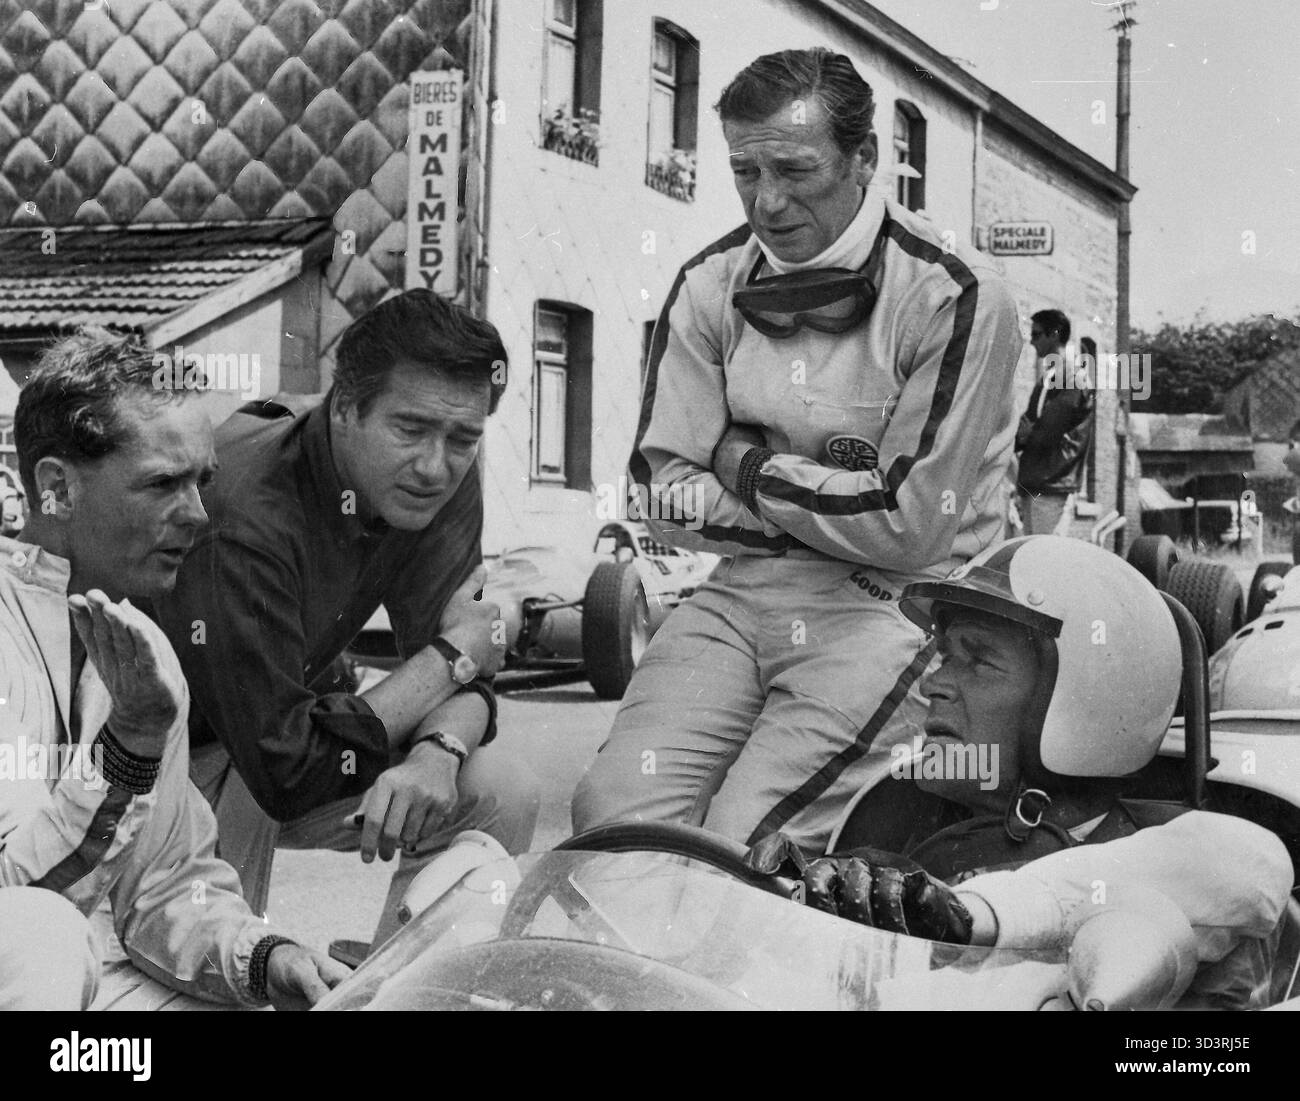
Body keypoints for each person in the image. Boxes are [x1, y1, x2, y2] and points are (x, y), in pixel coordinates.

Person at [571, 48, 1024, 854]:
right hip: (742, 589)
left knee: (750, 841)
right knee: (613, 817)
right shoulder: (708, 284)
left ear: (865, 159)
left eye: (793, 169)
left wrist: (743, 464)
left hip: (896, 603)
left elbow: (912, 526)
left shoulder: (957, 295)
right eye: (744, 171)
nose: (766, 201)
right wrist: (827, 506)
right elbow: (659, 494)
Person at [153, 290, 539, 956]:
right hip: (157, 751)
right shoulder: (247, 511)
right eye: (409, 429)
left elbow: (470, 666)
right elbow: (286, 770)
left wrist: (435, 753)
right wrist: (451, 655)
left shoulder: (440, 473)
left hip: (283, 725)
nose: (435, 464)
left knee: (499, 789)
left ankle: (400, 994)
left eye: (462, 438)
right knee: (225, 970)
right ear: (345, 408)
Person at [748, 536, 1292, 1009]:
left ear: (1087, 696)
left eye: (977, 661)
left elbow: (1250, 862)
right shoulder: (889, 809)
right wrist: (786, 912)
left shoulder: (1192, 861)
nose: (931, 685)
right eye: (942, 657)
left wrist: (971, 913)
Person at [1, 330, 347, 1009]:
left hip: (73, 982)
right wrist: (128, 745)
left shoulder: (147, 652)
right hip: (35, 957)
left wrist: (264, 956)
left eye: (203, 482)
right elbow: (23, 900)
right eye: (163, 482)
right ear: (56, 488)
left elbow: (162, 885)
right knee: (46, 936)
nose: (196, 515)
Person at [1014, 309, 1094, 534]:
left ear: (1055, 335)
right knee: (1029, 554)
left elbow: (1050, 429)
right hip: (1036, 481)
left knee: (1045, 559)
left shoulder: (1073, 377)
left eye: (1037, 334)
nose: (1031, 341)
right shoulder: (1048, 378)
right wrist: (1022, 434)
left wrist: (1030, 433)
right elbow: (1028, 421)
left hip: (1053, 482)